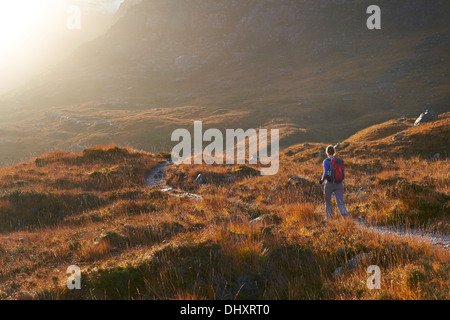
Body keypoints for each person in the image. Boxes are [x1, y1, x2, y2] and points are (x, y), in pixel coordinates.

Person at [319, 145, 349, 219]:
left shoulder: (326, 161)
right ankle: (346, 217)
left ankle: (329, 218)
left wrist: (322, 180)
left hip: (329, 184)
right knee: (340, 202)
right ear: (334, 152)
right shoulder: (339, 161)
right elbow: (343, 173)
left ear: (327, 152)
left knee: (328, 201)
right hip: (339, 184)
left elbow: (325, 173)